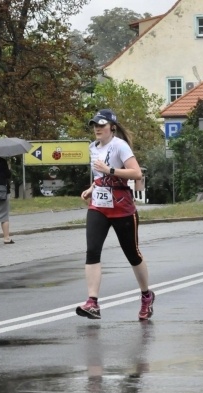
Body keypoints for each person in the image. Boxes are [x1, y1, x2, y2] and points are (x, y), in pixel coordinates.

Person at [77, 109, 155, 320]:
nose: (97, 129)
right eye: (94, 125)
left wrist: (109, 170)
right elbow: (99, 176)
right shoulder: (93, 147)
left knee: (132, 254)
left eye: (101, 125)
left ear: (111, 127)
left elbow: (136, 173)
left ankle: (146, 295)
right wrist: (92, 188)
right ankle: (92, 302)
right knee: (92, 251)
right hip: (98, 207)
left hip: (122, 208)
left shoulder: (120, 145)